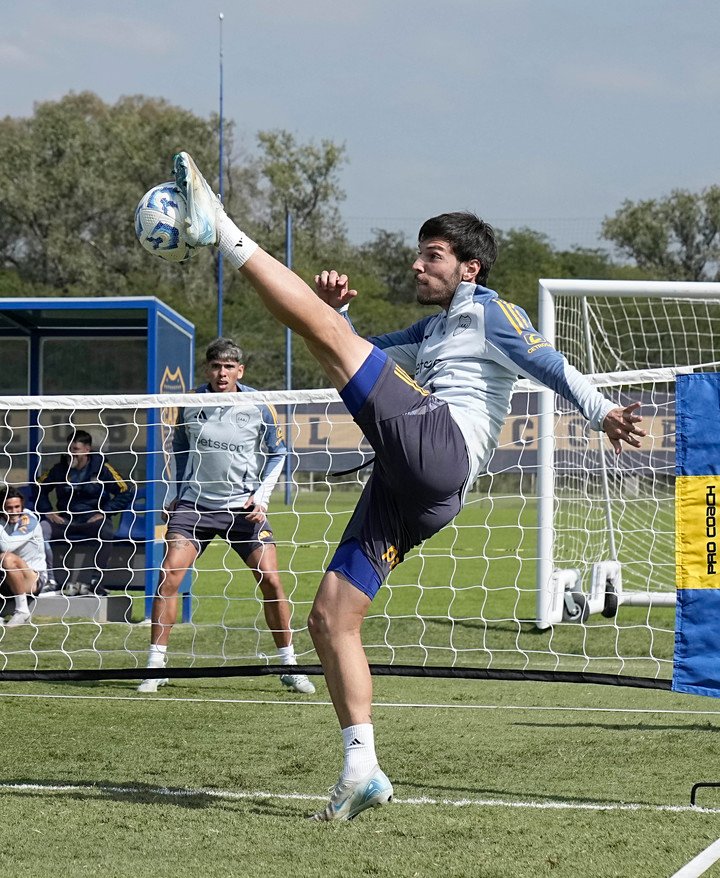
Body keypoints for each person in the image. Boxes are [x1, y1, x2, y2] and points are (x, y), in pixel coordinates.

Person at [166, 152, 645, 821]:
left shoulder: (492, 314)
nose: (419, 265)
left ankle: (219, 225)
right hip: (416, 485)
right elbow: (350, 348)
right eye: (418, 255)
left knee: (327, 337)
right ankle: (362, 766)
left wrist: (602, 414)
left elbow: (551, 363)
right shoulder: (430, 331)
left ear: (469, 268)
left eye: (434, 255)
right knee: (330, 619)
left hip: (440, 452)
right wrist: (330, 313)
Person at [137, 337, 315, 696]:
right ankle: (155, 667)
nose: (222, 373)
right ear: (208, 369)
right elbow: (180, 448)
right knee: (168, 576)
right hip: (195, 507)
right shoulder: (191, 403)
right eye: (216, 366)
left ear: (240, 370)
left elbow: (278, 453)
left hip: (243, 510)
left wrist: (261, 498)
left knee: (272, 581)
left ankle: (289, 665)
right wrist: (174, 494)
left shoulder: (259, 405)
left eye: (229, 367)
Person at [36, 430, 135, 594]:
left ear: (87, 450)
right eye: (69, 448)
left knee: (105, 530)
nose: (71, 453)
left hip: (92, 520)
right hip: (66, 520)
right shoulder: (59, 469)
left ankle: (96, 581)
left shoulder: (101, 468)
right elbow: (39, 487)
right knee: (41, 529)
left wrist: (105, 512)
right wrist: (48, 512)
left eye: (75, 449)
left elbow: (126, 490)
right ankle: (49, 580)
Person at [0, 488, 49, 627]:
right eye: (8, 508)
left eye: (17, 507)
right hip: (6, 577)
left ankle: (22, 610)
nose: (14, 511)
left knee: (7, 558)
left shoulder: (29, 520)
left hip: (33, 578)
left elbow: (6, 546)